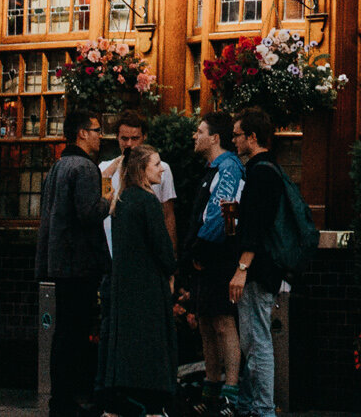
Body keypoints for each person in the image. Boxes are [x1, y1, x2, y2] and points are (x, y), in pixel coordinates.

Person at [34, 111, 109, 417]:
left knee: (63, 333)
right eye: (95, 130)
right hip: (80, 264)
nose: (99, 136)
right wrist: (110, 200)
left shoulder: (59, 166)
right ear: (81, 133)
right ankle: (69, 401)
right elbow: (89, 213)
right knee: (75, 333)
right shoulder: (85, 168)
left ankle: (59, 400)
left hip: (59, 262)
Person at [97, 144, 178, 417]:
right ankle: (154, 407)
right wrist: (172, 270)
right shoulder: (147, 201)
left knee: (127, 350)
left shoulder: (122, 200)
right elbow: (162, 248)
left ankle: (118, 406)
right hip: (149, 289)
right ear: (142, 170)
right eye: (156, 164)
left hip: (125, 287)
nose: (161, 168)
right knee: (152, 351)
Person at [231, 108, 290, 417]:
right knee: (254, 338)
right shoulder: (269, 169)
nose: (234, 140)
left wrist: (242, 269)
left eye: (238, 135)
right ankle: (250, 404)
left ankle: (262, 409)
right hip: (264, 268)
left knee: (257, 340)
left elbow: (256, 226)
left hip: (257, 269)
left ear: (252, 138)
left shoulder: (260, 172)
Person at [187, 114, 245, 417]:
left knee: (223, 322)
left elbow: (219, 212)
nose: (195, 137)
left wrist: (201, 246)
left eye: (200, 132)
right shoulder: (212, 169)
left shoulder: (229, 168)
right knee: (206, 323)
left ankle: (230, 396)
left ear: (215, 138)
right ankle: (211, 390)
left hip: (219, 256)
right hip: (205, 256)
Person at [102, 110, 178, 244]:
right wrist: (111, 170)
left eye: (135, 138)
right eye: (124, 138)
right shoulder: (105, 169)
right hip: (111, 246)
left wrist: (172, 252)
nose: (129, 144)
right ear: (117, 137)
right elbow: (103, 206)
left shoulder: (161, 169)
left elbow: (168, 214)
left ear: (144, 137)